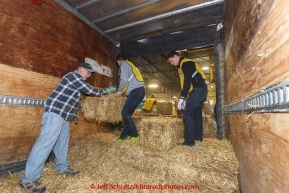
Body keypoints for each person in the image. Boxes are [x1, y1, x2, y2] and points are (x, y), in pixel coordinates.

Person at [20, 62, 108, 193]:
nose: (89, 75)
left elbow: (75, 99)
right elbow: (89, 90)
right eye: (88, 72)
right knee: (44, 143)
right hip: (55, 113)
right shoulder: (73, 76)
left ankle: (61, 167)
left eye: (91, 73)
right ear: (81, 69)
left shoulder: (77, 83)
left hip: (63, 116)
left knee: (62, 143)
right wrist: (104, 91)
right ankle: (28, 179)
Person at [168, 51, 208, 146]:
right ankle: (198, 138)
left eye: (171, 60)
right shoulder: (183, 66)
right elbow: (189, 84)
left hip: (198, 90)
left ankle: (189, 142)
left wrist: (181, 97)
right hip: (202, 90)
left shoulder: (186, 63)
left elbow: (188, 80)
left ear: (176, 56)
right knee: (197, 116)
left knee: (188, 114)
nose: (171, 63)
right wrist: (186, 98)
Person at [115, 54, 145, 142]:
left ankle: (135, 135)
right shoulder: (130, 65)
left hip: (136, 91)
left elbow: (124, 79)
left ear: (118, 61)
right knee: (127, 115)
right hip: (139, 91)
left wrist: (118, 91)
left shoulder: (124, 64)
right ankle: (122, 136)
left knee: (124, 113)